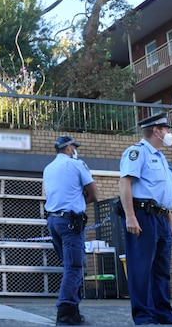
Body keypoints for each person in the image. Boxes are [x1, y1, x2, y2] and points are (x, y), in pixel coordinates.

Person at [119, 113, 172, 325]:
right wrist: (130, 216)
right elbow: (125, 184)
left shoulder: (161, 156)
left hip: (160, 218)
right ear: (157, 130)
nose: (169, 133)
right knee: (141, 268)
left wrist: (170, 221)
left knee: (161, 270)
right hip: (142, 216)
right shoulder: (136, 152)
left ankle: (164, 314)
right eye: (166, 129)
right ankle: (144, 317)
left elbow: (161, 193)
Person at [44, 135, 99, 326]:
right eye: (74, 147)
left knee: (69, 267)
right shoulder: (77, 164)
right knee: (74, 267)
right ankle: (66, 313)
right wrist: (81, 200)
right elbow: (94, 194)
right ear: (68, 148)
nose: (75, 150)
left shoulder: (48, 168)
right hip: (70, 223)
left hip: (53, 221)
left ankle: (74, 312)